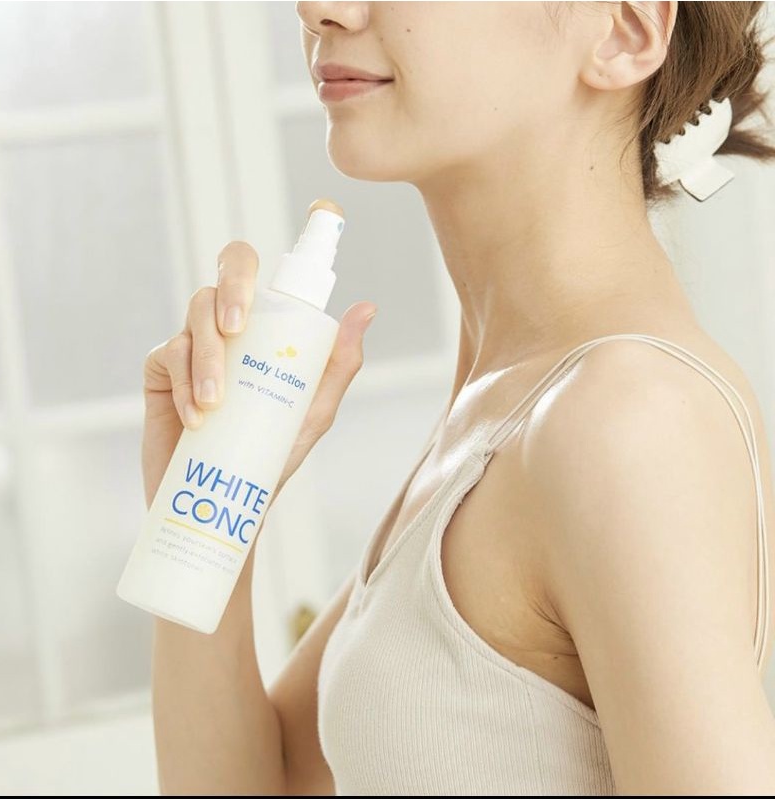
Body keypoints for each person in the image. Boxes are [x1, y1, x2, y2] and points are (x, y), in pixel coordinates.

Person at [142, 2, 775, 795]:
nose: (320, 8)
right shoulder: (508, 399)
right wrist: (199, 509)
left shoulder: (626, 418)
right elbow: (260, 786)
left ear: (623, 30)